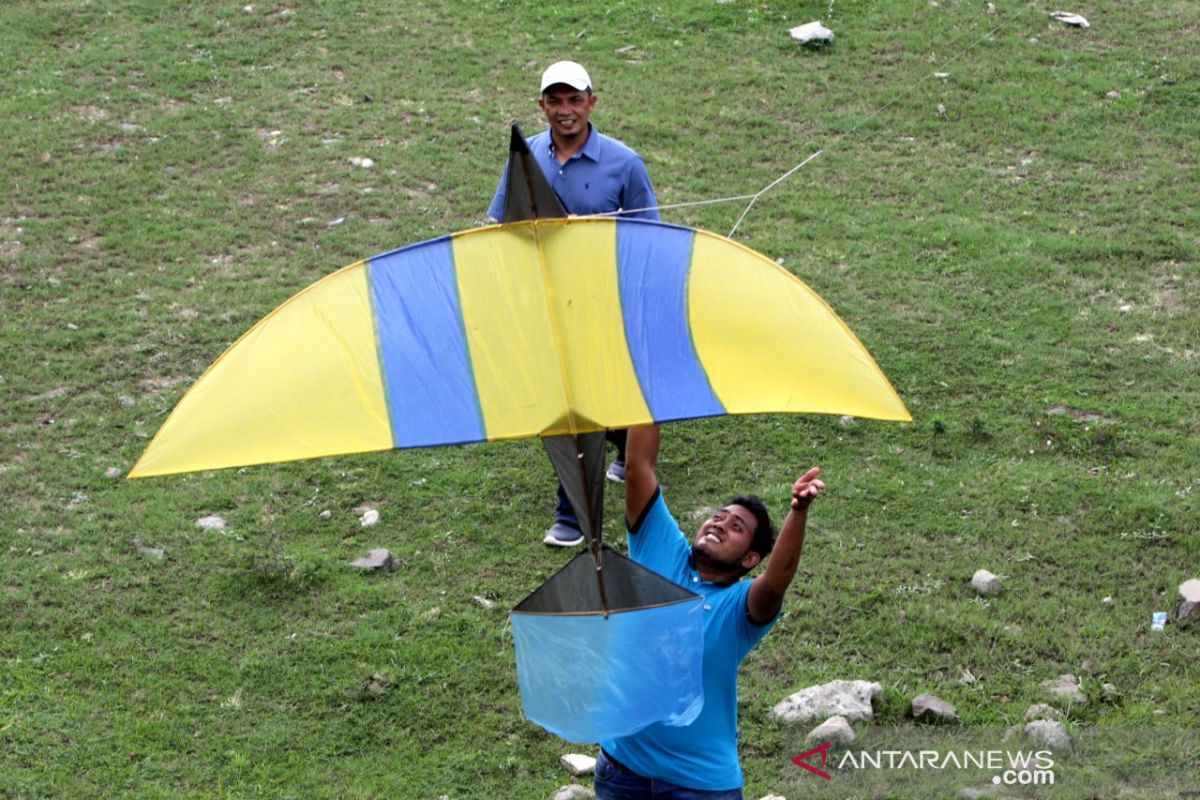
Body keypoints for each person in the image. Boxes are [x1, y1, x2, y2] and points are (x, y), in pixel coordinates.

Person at [595, 424, 825, 799]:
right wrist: (641, 383)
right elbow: (638, 466)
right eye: (719, 516)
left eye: (736, 527)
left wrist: (798, 510)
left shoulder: (737, 608)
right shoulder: (662, 553)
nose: (719, 523)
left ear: (750, 559)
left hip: (699, 785)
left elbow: (776, 581)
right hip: (622, 771)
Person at [487, 60, 661, 548]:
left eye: (575, 99)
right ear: (542, 106)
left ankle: (580, 503)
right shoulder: (525, 159)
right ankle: (613, 464)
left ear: (592, 102)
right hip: (546, 304)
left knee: (598, 393)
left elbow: (650, 236)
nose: (566, 111)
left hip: (605, 302)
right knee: (570, 398)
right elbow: (502, 225)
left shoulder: (624, 163)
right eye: (556, 101)